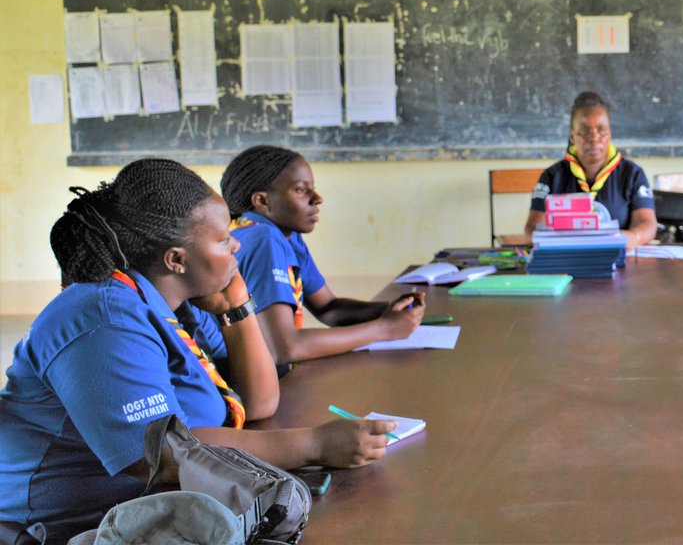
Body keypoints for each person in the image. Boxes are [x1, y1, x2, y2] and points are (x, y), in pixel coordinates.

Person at [0, 159, 397, 543]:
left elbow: (259, 402)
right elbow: (162, 457)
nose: (236, 244)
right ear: (177, 259)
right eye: (223, 238)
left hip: (163, 512)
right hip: (64, 528)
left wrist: (238, 305)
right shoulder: (105, 316)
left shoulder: (179, 303)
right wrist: (315, 445)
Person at [219, 145, 424, 368]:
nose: (317, 198)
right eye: (300, 190)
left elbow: (328, 307)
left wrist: (389, 310)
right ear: (262, 201)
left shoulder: (286, 236)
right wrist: (384, 329)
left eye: (312, 189)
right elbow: (285, 348)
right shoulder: (263, 238)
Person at [524, 91, 657, 251]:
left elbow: (647, 223)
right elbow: (532, 228)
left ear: (610, 134)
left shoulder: (632, 174)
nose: (594, 138)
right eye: (585, 130)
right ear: (572, 136)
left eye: (601, 130)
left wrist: (634, 237)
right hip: (568, 258)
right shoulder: (552, 176)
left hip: (617, 260)